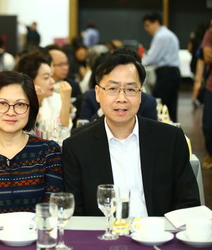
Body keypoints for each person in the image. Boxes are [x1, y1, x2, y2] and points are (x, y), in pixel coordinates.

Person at [63, 53, 200, 217]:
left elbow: (189, 203)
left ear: (141, 93)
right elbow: (75, 213)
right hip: (103, 236)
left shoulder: (170, 139)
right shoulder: (77, 145)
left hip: (157, 235)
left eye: (130, 89)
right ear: (98, 93)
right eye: (113, 89)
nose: (122, 98)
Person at [0, 71, 64, 215]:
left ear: (31, 109)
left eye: (20, 105)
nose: (11, 112)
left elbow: (52, 207)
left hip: (35, 235)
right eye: (2, 103)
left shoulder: (48, 151)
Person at [15, 51, 72, 144]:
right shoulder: (16, 103)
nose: (52, 81)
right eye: (46, 78)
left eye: (51, 76)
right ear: (29, 80)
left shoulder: (56, 99)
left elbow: (64, 138)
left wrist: (66, 101)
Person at [142, 13, 181, 122]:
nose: (146, 29)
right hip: (172, 73)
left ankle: (161, 132)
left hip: (166, 73)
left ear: (156, 22)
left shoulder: (161, 36)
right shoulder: (168, 34)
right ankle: (172, 132)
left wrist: (136, 62)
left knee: (158, 105)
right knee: (170, 107)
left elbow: (152, 58)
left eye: (148, 25)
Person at [200, 24, 212, 169]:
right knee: (208, 125)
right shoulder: (210, 32)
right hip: (210, 87)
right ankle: (210, 153)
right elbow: (208, 56)